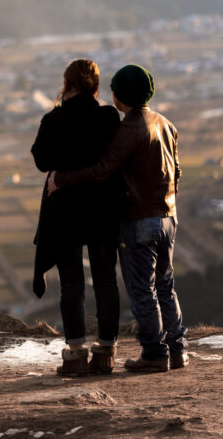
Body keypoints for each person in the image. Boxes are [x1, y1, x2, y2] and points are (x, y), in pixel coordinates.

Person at [49, 64, 187, 373]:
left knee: (142, 290)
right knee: (166, 285)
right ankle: (177, 350)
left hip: (140, 219)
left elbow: (103, 170)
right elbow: (177, 171)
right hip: (168, 216)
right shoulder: (165, 123)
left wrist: (63, 178)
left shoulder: (130, 127)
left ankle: (154, 352)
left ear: (120, 95)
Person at [31, 59, 124, 375]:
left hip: (65, 212)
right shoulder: (108, 118)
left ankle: (75, 353)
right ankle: (106, 352)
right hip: (103, 211)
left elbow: (41, 161)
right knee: (105, 280)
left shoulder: (53, 120)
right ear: (96, 87)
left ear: (67, 84)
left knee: (71, 283)